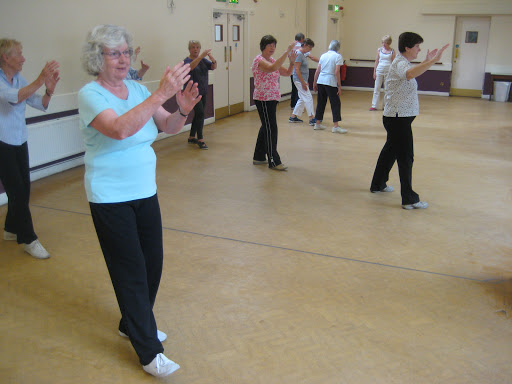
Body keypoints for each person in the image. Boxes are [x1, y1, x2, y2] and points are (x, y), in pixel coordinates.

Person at [78, 24, 201, 377]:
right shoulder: (91, 94)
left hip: (145, 191)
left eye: (126, 52)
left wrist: (182, 107)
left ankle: (131, 322)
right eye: (113, 53)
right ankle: (148, 350)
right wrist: (160, 93)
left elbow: (169, 126)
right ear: (96, 58)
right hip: (109, 197)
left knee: (152, 265)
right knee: (129, 271)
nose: (122, 59)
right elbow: (119, 129)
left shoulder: (136, 87)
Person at [370, 32, 449, 210]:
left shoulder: (403, 63)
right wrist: (432, 61)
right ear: (407, 47)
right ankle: (409, 199)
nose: (419, 50)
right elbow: (410, 74)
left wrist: (426, 62)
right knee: (406, 157)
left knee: (390, 152)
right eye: (417, 47)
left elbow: (412, 71)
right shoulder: (399, 62)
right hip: (398, 120)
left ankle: (378, 183)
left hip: (397, 118)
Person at [0, 38, 60, 259]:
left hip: (19, 140)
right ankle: (29, 239)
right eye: (18, 54)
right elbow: (15, 98)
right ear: (6, 57)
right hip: (2, 143)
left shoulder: (18, 79)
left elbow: (40, 104)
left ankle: (10, 229)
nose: (23, 58)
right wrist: (40, 78)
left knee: (22, 189)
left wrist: (49, 90)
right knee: (16, 191)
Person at [252, 35, 296, 171]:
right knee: (271, 128)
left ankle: (259, 156)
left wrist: (292, 62)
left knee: (266, 126)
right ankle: (273, 160)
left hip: (272, 98)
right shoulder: (259, 60)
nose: (272, 48)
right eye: (269, 45)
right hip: (263, 98)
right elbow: (272, 68)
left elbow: (288, 73)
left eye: (274, 45)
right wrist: (286, 51)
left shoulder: (272, 60)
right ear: (263, 46)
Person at [184, 40, 217, 149]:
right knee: (201, 113)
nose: (196, 49)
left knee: (198, 114)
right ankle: (201, 139)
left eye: (198, 47)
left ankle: (192, 136)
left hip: (203, 92)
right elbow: (191, 67)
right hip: (192, 93)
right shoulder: (187, 61)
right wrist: (201, 56)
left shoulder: (203, 60)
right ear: (189, 49)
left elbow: (213, 67)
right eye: (193, 47)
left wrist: (213, 60)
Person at [313, 40, 347, 134]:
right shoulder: (338, 56)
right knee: (335, 103)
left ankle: (318, 123)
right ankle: (335, 126)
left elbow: (317, 70)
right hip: (331, 82)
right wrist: (339, 86)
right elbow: (337, 72)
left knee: (321, 102)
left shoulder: (323, 55)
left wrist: (314, 82)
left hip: (321, 81)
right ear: (338, 48)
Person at [289, 38, 317, 126]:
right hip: (298, 80)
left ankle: (293, 117)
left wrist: (304, 81)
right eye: (309, 47)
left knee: (302, 98)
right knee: (308, 97)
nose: (310, 49)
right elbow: (296, 69)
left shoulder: (303, 54)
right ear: (304, 45)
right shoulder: (299, 54)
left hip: (301, 80)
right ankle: (312, 118)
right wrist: (302, 82)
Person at [370, 35, 395, 111]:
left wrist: (393, 73)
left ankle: (386, 106)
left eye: (385, 43)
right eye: (383, 42)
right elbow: (377, 60)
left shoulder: (392, 51)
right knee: (377, 88)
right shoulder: (379, 50)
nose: (384, 44)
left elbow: (393, 62)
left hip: (388, 71)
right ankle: (374, 105)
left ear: (389, 43)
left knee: (387, 89)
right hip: (379, 70)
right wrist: (374, 71)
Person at [290, 33, 304, 110]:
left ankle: (292, 104)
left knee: (294, 89)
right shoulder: (301, 47)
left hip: (291, 70)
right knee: (300, 89)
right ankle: (297, 106)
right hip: (299, 71)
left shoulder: (291, 47)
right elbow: (308, 56)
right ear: (302, 39)